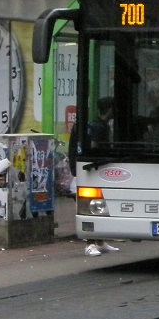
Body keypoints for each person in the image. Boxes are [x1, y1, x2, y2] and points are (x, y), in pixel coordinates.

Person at [69, 97, 119, 257]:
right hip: (93, 173)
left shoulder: (96, 125)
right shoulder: (98, 127)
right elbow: (95, 149)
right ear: (109, 110)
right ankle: (90, 243)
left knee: (98, 208)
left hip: (91, 173)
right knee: (91, 209)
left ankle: (99, 242)